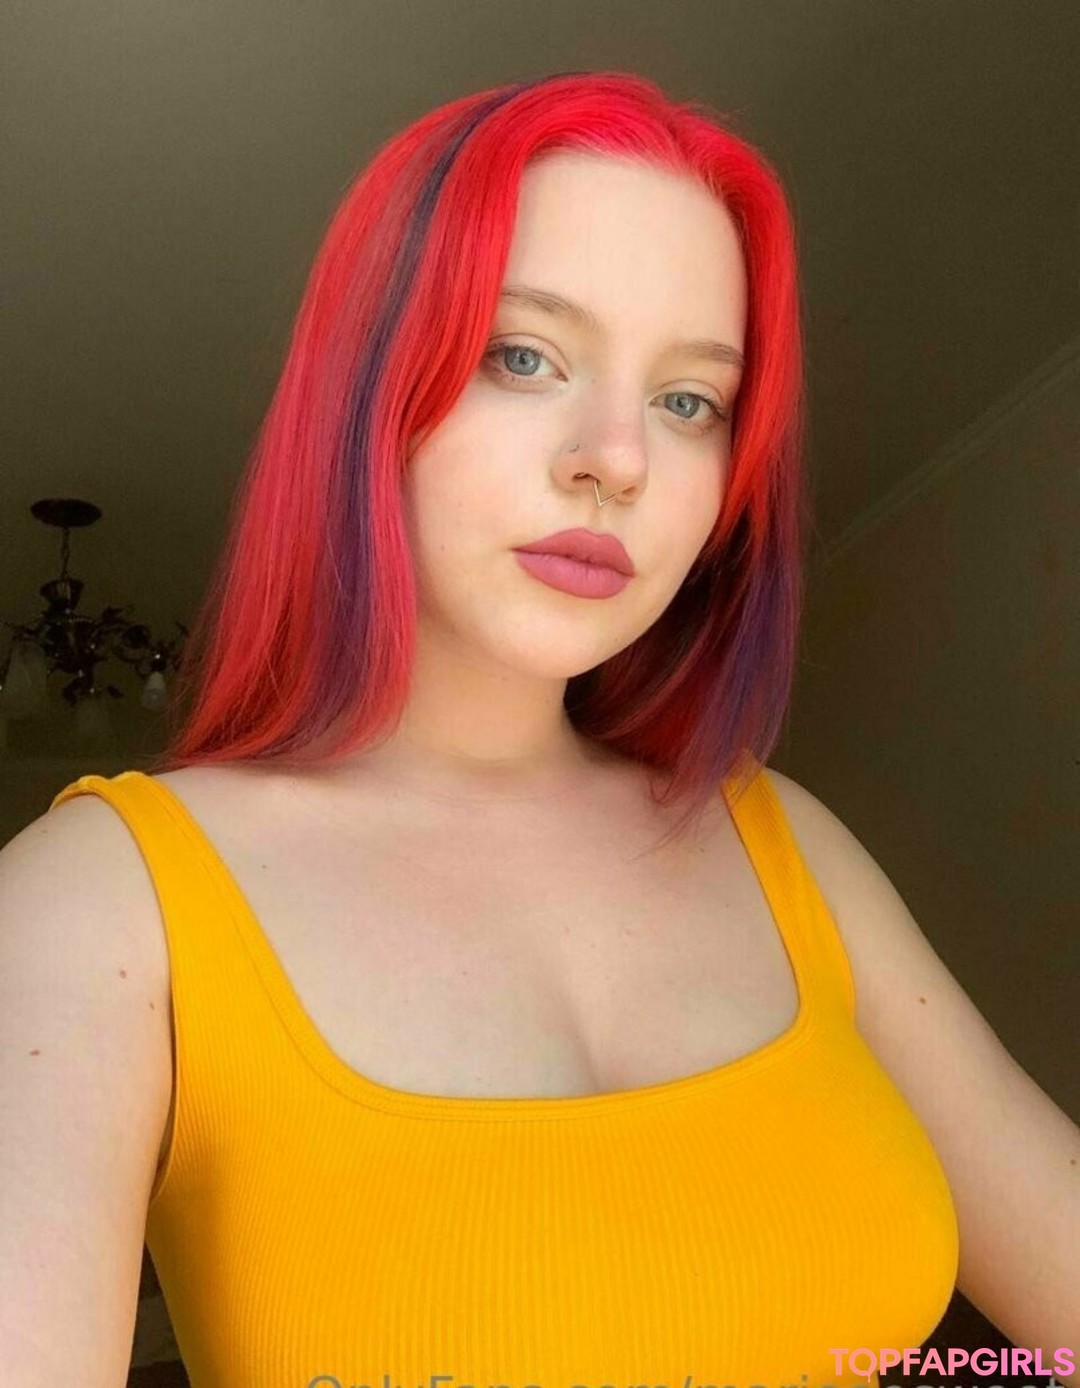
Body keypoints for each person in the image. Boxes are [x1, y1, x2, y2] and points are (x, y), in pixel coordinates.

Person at [1, 69, 1076, 1388]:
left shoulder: (781, 840)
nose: (617, 459)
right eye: (524, 355)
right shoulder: (102, 902)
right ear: (365, 390)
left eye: (690, 400)